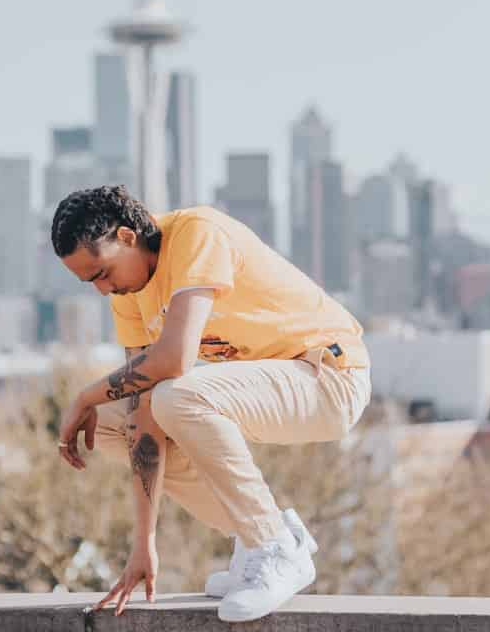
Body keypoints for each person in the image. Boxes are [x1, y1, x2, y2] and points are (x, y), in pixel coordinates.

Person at [52, 185, 371, 623]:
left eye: (102, 273)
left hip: (329, 377)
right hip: (273, 387)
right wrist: (144, 542)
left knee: (178, 395)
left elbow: (176, 359)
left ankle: (273, 546)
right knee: (115, 423)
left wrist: (85, 395)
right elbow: (142, 414)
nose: (103, 291)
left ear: (127, 237)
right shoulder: (130, 295)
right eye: (90, 283)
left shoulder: (195, 234)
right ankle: (256, 532)